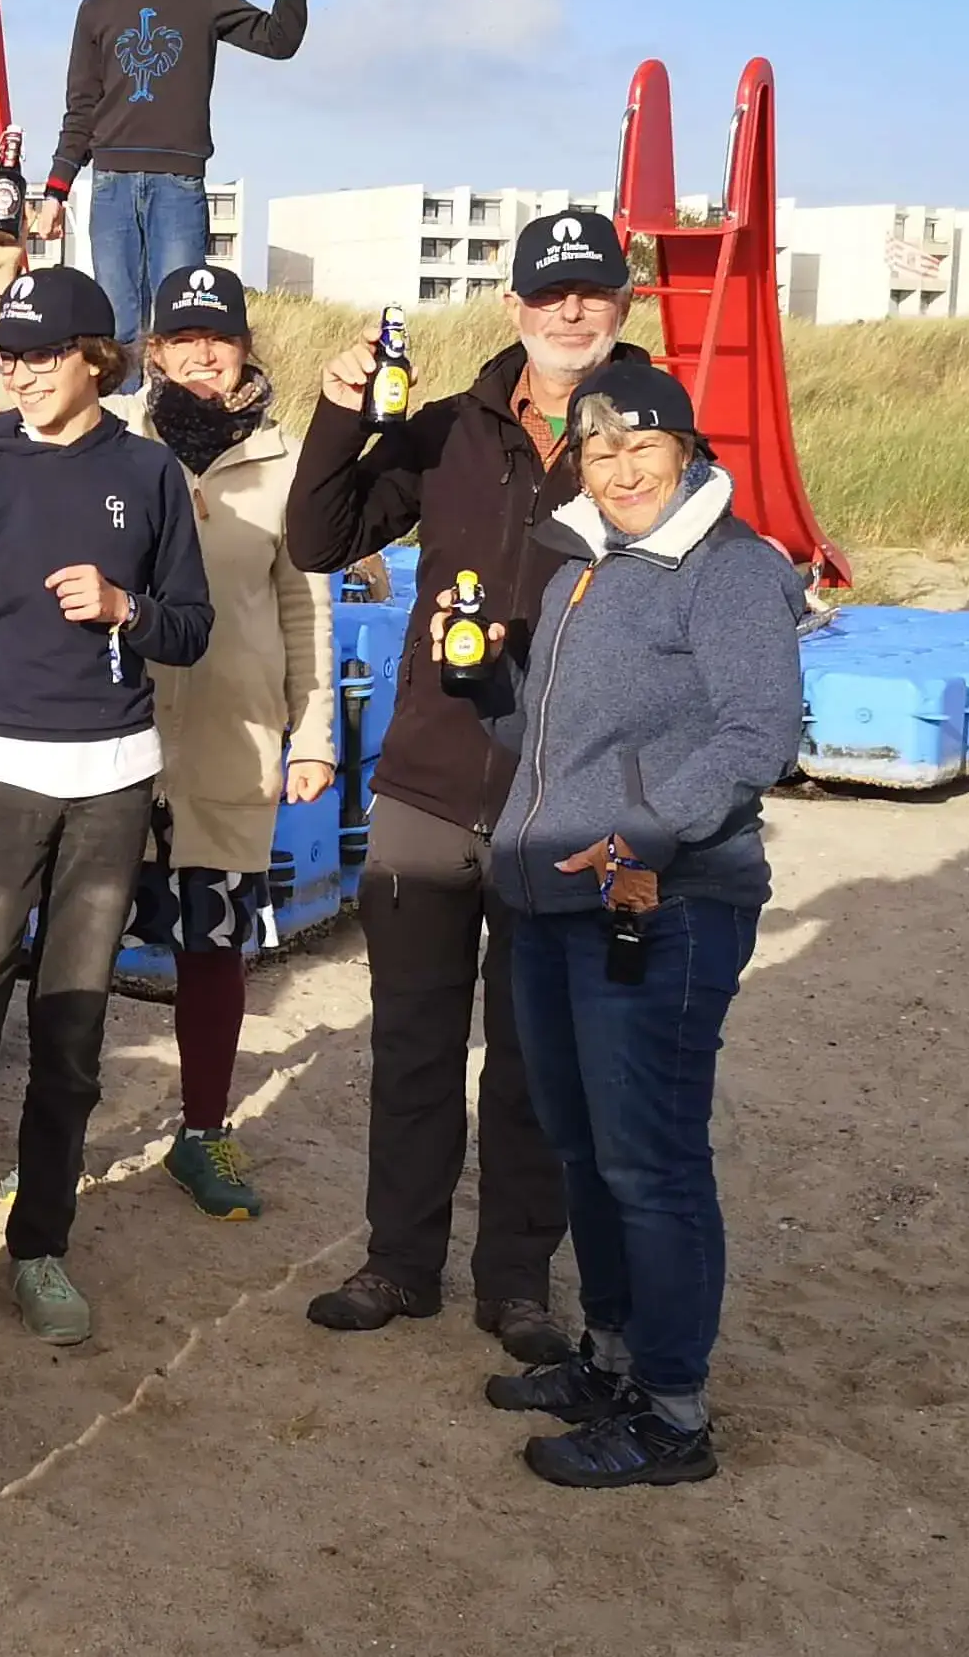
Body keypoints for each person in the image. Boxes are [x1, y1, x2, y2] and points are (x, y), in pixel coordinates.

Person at [283, 207, 643, 1363]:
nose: (569, 312)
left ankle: (518, 1282)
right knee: (414, 1039)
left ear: (623, 302)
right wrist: (342, 407)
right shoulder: (444, 430)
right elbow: (316, 534)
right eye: (549, 294)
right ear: (513, 307)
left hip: (569, 793)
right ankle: (398, 1263)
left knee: (536, 1050)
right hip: (431, 783)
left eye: (590, 292)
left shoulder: (654, 443)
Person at [478, 363, 805, 1487]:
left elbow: (758, 732)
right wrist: (485, 686)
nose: (619, 471)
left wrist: (649, 830)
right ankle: (610, 1357)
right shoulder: (591, 563)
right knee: (583, 1150)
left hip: (658, 904)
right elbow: (551, 736)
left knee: (650, 1163)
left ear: (686, 452)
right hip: (554, 897)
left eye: (642, 450)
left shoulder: (727, 570)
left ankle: (672, 1414)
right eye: (599, 451)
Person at [0, 267, 212, 1344]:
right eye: (6, 355)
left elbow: (191, 626)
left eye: (38, 353)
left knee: (70, 1032)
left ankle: (39, 1248)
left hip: (112, 780)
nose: (18, 371)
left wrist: (129, 607)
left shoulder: (148, 471)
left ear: (95, 356)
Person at [114, 263, 336, 1220]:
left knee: (214, 945)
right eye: (183, 338)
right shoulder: (111, 436)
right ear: (153, 351)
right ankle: (55, 1140)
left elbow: (305, 602)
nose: (203, 354)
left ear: (247, 345)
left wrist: (315, 734)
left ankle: (202, 1134)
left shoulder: (291, 458)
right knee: (82, 946)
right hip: (112, 729)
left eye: (221, 336)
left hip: (233, 731)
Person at [46, 0, 308, 361]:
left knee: (179, 326)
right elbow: (80, 107)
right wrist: (56, 190)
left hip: (178, 184)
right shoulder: (95, 8)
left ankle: (172, 432)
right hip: (111, 185)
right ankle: (121, 431)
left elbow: (281, 39)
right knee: (117, 329)